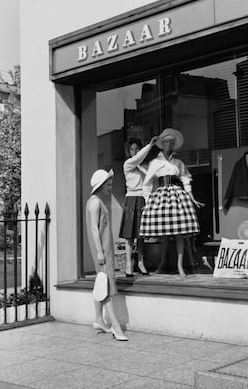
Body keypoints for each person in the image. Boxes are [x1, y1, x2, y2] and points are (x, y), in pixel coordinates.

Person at [139, 128, 204, 278]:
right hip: (161, 196)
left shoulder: (178, 163)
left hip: (176, 196)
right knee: (164, 234)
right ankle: (163, 263)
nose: (169, 144)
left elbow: (186, 180)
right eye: (167, 142)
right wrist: (148, 200)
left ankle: (180, 265)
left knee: (180, 232)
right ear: (162, 144)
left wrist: (191, 197)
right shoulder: (155, 162)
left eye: (172, 142)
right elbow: (147, 183)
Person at [86, 169, 128, 341]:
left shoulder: (95, 201)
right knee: (107, 288)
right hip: (103, 250)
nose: (111, 187)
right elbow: (94, 228)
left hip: (105, 249)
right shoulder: (95, 203)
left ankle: (98, 319)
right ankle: (116, 327)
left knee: (101, 282)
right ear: (100, 185)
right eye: (108, 184)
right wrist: (99, 252)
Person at [120, 136, 158, 277]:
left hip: (142, 199)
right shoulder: (128, 164)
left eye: (137, 149)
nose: (135, 152)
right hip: (131, 199)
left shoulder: (143, 167)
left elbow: (151, 179)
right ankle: (129, 265)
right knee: (129, 236)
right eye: (132, 149)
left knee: (141, 236)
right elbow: (138, 159)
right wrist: (149, 146)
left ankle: (141, 262)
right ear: (128, 151)